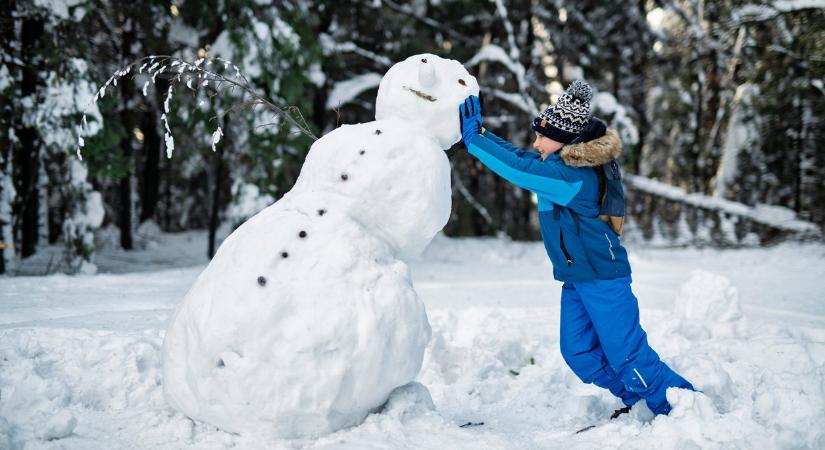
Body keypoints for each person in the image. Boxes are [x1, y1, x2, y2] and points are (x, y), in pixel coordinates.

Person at [457, 80, 694, 417]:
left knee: (628, 356)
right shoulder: (562, 166)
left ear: (565, 140)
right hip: (577, 276)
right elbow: (522, 158)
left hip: (602, 278)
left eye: (542, 136)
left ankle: (684, 408)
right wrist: (480, 134)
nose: (536, 142)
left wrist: (474, 141)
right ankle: (637, 400)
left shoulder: (573, 177)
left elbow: (520, 169)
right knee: (579, 352)